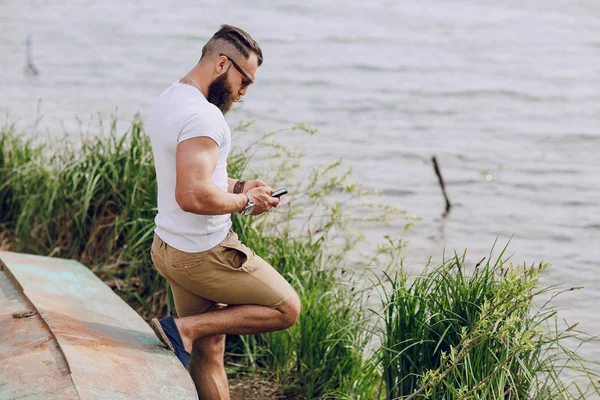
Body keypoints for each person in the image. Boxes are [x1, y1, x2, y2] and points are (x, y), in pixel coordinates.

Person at [146, 24, 301, 400]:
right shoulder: (205, 117)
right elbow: (193, 196)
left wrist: (240, 187)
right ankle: (180, 330)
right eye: (244, 80)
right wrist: (249, 203)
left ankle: (188, 330)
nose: (244, 93)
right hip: (202, 254)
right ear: (221, 64)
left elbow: (198, 177)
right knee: (287, 308)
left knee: (210, 343)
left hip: (169, 247)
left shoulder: (170, 98)